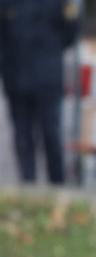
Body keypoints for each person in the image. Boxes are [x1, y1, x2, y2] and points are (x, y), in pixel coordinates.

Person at [0, 0, 78, 184]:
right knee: (22, 137)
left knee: (51, 135)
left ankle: (57, 184)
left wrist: (51, 53)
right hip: (16, 76)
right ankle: (28, 185)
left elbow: (70, 31)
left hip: (48, 78)